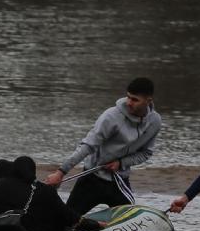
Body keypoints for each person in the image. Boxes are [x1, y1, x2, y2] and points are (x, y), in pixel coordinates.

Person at [45, 77, 161, 215]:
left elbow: (146, 153)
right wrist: (60, 172)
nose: (129, 102)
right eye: (128, 97)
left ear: (148, 101)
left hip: (119, 181)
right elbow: (87, 146)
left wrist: (121, 163)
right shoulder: (111, 116)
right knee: (66, 221)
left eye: (135, 99)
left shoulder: (155, 122)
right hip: (92, 177)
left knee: (129, 219)